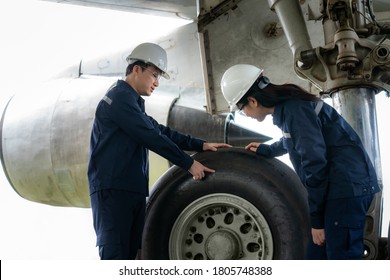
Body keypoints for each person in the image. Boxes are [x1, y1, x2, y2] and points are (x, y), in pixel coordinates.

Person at [220, 64, 380, 260]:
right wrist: (269, 150)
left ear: (252, 101)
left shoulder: (295, 110)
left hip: (345, 191)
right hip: (340, 188)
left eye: (242, 110)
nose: (247, 116)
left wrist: (317, 222)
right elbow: (297, 140)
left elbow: (315, 164)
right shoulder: (290, 108)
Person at [87, 42, 231, 260]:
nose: (157, 82)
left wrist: (200, 144)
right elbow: (150, 136)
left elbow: (159, 130)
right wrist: (188, 163)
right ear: (137, 69)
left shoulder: (132, 102)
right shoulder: (118, 98)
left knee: (132, 257)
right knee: (115, 254)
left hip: (131, 190)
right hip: (113, 191)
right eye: (154, 74)